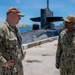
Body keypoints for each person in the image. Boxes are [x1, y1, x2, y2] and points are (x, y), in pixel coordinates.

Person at [0, 6, 26, 75]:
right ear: (12, 15)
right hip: (8, 70)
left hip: (18, 68)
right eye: (19, 16)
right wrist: (3, 62)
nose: (20, 18)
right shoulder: (2, 29)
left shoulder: (16, 28)